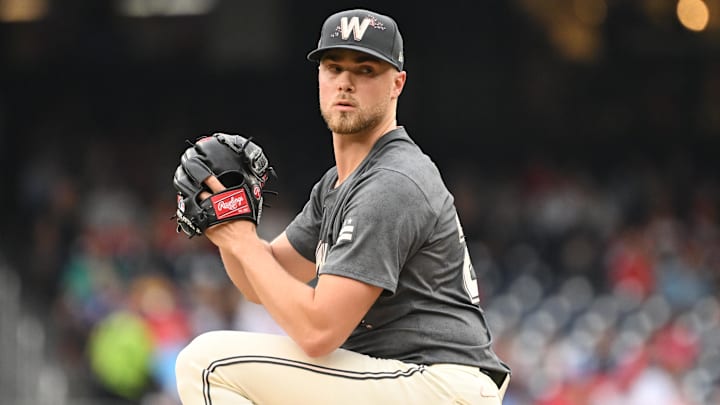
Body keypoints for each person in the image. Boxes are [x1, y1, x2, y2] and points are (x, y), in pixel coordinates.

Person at [174, 8, 511, 404]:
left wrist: (242, 238)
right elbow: (259, 283)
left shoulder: (392, 181)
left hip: (436, 383)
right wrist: (229, 223)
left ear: (397, 84)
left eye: (365, 70)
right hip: (403, 378)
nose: (345, 82)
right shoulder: (337, 184)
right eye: (333, 67)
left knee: (206, 363)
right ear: (319, 78)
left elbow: (318, 332)